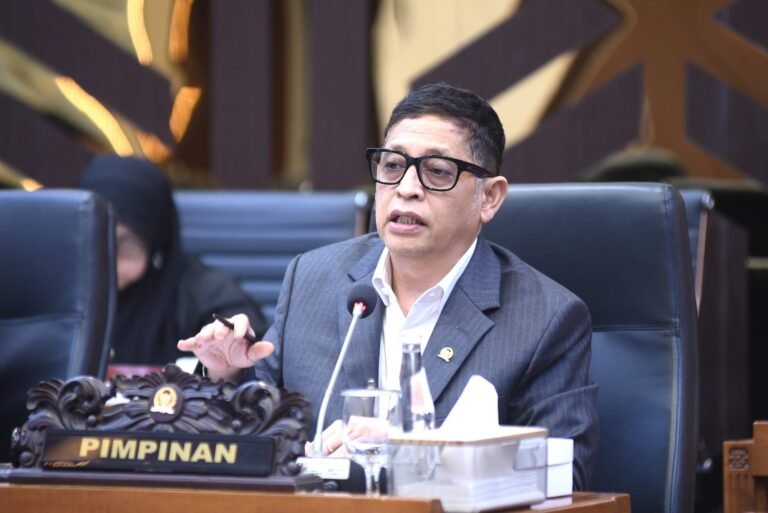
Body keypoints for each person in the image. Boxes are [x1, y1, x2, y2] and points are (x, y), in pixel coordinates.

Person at [178, 83, 599, 489]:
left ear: (489, 197)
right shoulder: (313, 278)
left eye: (437, 172)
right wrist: (224, 372)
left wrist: (406, 456)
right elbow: (253, 431)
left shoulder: (545, 318)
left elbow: (563, 478)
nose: (406, 189)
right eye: (393, 166)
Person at [79, 154, 267, 366]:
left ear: (155, 240)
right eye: (98, 237)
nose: (109, 256)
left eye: (128, 243)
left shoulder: (203, 294)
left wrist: (227, 356)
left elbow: (253, 356)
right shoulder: (58, 289)